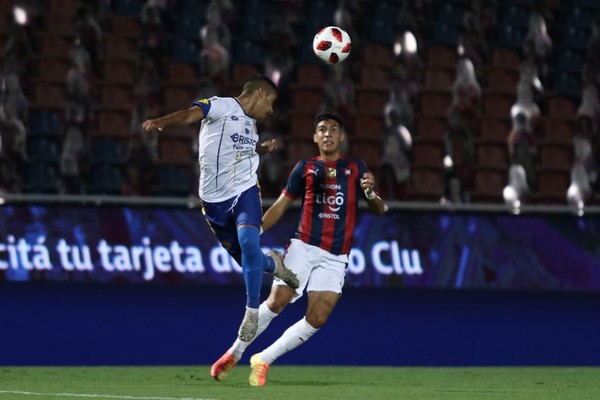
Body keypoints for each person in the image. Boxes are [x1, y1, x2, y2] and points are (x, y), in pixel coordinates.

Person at [210, 112, 386, 386]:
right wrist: (255, 234)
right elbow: (281, 205)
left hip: (336, 256)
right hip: (303, 246)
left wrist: (371, 192)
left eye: (333, 129)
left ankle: (263, 359)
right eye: (322, 130)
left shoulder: (356, 168)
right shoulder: (304, 168)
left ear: (341, 137)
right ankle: (235, 353)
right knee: (277, 301)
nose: (327, 133)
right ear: (315, 137)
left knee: (317, 318)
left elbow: (379, 209)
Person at [142, 74, 299, 343]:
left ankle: (251, 313)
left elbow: (242, 151)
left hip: (245, 191)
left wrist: (261, 148)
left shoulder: (251, 126)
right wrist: (161, 122)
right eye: (271, 102)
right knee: (247, 260)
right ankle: (275, 265)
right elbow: (192, 114)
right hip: (213, 201)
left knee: (249, 243)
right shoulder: (222, 105)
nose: (271, 110)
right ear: (260, 93)